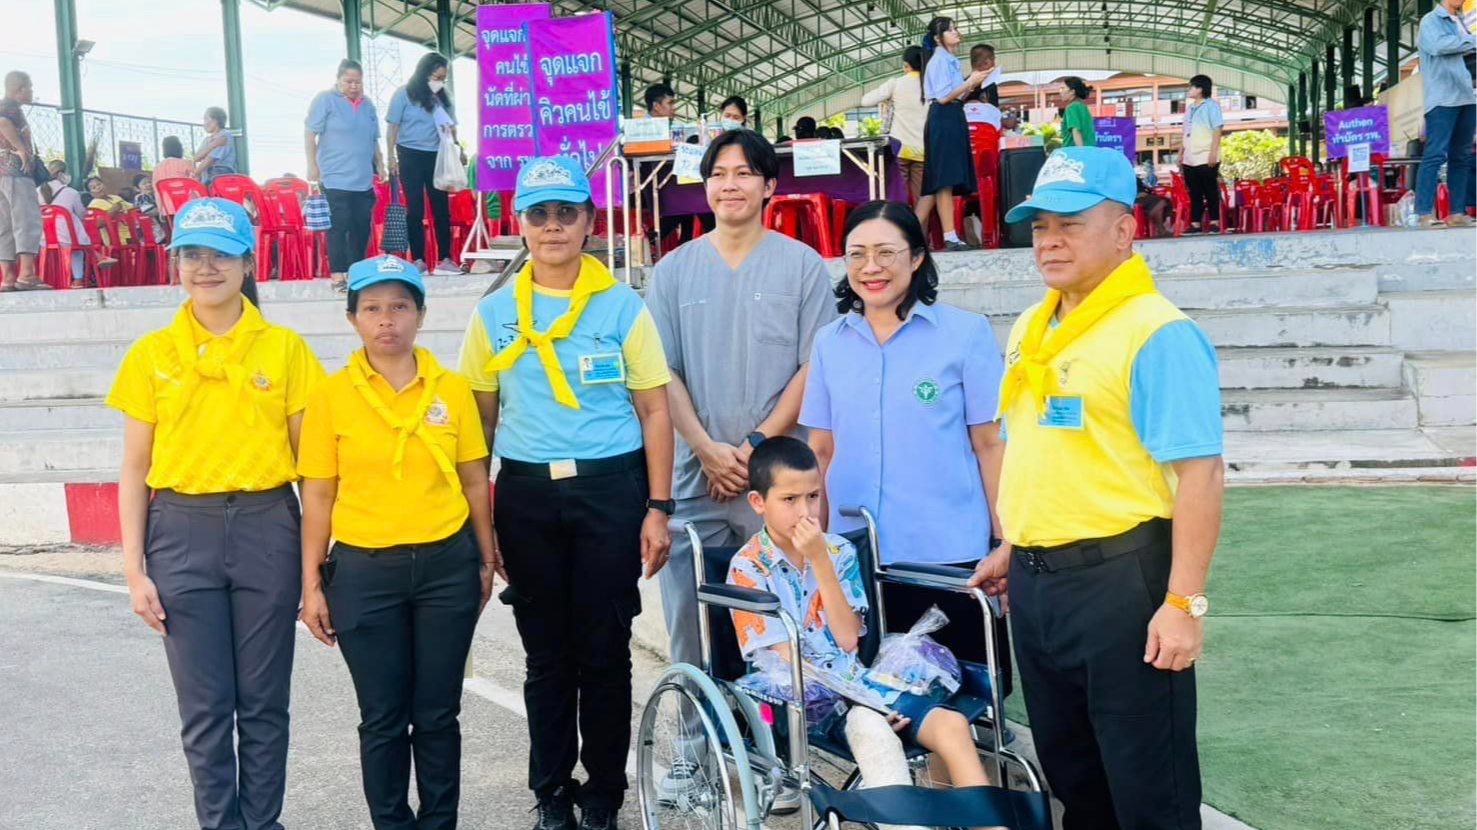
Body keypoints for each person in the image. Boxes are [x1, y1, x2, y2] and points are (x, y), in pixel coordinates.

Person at [970, 146, 1224, 830]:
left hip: (1121, 585)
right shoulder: (1033, 325)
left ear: (1122, 230)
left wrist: (1183, 604)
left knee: (1149, 795)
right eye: (1038, 227)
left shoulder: (1157, 334)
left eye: (1069, 224)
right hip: (1035, 584)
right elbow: (1035, 445)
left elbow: (1199, 474)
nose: (1048, 241)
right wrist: (1013, 540)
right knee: (1074, 783)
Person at [458, 155, 674, 830]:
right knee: (546, 655)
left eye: (566, 213)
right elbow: (479, 425)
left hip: (610, 491)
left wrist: (658, 507)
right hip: (525, 496)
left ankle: (603, 791)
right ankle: (550, 791)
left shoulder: (620, 307)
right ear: (518, 223)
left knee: (604, 649)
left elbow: (654, 410)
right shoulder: (492, 314)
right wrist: (483, 525)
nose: (552, 227)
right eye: (538, 214)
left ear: (588, 221)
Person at [109, 197, 325, 830]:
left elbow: (311, 467)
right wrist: (133, 571)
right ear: (177, 263)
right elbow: (132, 468)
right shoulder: (152, 355)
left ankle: (264, 822)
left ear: (247, 262)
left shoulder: (284, 348)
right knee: (204, 707)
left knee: (263, 702)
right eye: (192, 255)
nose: (206, 268)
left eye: (221, 254)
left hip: (266, 526)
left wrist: (313, 568)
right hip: (178, 532)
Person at [643, 129, 834, 812]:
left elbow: (812, 367)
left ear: (767, 186)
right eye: (718, 173)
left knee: (780, 626)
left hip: (773, 486)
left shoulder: (803, 267)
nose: (730, 185)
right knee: (691, 626)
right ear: (705, 185)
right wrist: (702, 445)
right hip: (697, 482)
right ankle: (694, 757)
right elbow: (658, 371)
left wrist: (754, 445)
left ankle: (779, 762)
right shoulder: (671, 272)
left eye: (743, 173)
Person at [297, 255, 495, 830]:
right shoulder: (330, 396)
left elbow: (475, 479)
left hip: (445, 565)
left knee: (437, 713)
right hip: (363, 571)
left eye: (401, 307)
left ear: (421, 314)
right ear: (354, 318)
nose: (388, 320)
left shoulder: (451, 389)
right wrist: (312, 583)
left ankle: (439, 822)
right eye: (373, 308)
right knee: (382, 716)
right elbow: (319, 497)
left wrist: (485, 557)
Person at [727, 437, 1000, 830]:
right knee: (873, 729)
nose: (805, 512)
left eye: (813, 496)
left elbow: (848, 640)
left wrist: (820, 560)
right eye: (790, 500)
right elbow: (788, 660)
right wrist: (867, 703)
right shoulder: (747, 568)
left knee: (952, 723)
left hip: (860, 681)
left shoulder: (837, 551)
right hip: (801, 697)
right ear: (758, 503)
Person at [801, 199, 1009, 670]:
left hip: (946, 551)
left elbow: (990, 444)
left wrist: (1004, 539)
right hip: (852, 554)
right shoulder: (829, 343)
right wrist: (815, 545)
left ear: (916, 258)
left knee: (960, 693)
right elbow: (821, 451)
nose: (870, 268)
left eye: (885, 253)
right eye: (856, 254)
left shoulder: (965, 334)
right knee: (873, 699)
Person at [307, 59, 383, 293]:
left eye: (357, 82)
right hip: (334, 176)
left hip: (362, 177)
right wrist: (312, 165)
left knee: (361, 226)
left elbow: (373, 138)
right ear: (338, 79)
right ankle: (338, 275)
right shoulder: (325, 100)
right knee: (339, 225)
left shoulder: (368, 105)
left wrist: (380, 162)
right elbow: (310, 133)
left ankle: (356, 271)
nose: (353, 86)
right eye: (348, 81)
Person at [388, 53, 462, 275]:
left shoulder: (443, 97)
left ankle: (445, 258)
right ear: (423, 74)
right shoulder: (404, 94)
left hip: (436, 155)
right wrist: (390, 155)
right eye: (436, 77)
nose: (439, 82)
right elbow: (392, 126)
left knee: (441, 208)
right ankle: (418, 259)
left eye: (443, 78)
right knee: (415, 208)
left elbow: (452, 126)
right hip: (409, 153)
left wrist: (456, 142)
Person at [921, 17, 990, 251]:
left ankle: (951, 235)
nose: (956, 32)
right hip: (943, 116)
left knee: (947, 180)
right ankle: (949, 236)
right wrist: (970, 81)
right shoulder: (938, 60)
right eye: (950, 30)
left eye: (955, 28)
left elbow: (955, 95)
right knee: (943, 181)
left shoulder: (950, 60)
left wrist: (971, 83)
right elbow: (942, 96)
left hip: (953, 115)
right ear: (938, 38)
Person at [1414, 0, 1477, 227]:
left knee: (1461, 156)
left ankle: (1457, 212)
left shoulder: (1461, 22)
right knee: (1435, 154)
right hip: (1442, 97)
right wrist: (1472, 41)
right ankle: (1424, 212)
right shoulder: (1430, 21)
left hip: (1467, 96)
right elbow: (1439, 46)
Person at [860, 46, 928, 204]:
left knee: (898, 198)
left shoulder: (896, 84)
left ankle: (899, 228)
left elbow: (865, 101)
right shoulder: (930, 85)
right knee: (921, 200)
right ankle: (920, 228)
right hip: (923, 151)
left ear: (906, 65)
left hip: (899, 150)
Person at [0, 70, 44, 291]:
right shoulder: (11, 107)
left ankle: (7, 278)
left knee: (5, 225)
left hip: (1, 173)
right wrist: (20, 149)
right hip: (16, 171)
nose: (32, 91)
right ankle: (27, 274)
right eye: (30, 87)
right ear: (21, 89)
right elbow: (3, 123)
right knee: (26, 220)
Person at [38, 159, 113, 287]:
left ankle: (97, 256)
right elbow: (81, 214)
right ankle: (79, 278)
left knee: (71, 228)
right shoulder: (71, 192)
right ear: (62, 174)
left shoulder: (37, 191)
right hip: (68, 239)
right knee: (76, 245)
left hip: (43, 239)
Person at [1180, 74, 1225, 234]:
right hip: (1189, 157)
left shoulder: (1211, 106)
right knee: (1194, 192)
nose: (1189, 89)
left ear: (1200, 89)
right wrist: (1180, 153)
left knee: (1210, 190)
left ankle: (1214, 222)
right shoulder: (1189, 108)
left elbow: (1217, 129)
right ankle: (1195, 224)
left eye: (1191, 86)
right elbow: (1185, 131)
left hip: (1206, 154)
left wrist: (1213, 153)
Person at [194, 107, 237, 186]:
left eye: (206, 119)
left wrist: (194, 174)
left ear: (215, 121)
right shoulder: (207, 140)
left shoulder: (224, 135)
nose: (204, 123)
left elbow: (210, 159)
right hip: (207, 176)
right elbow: (196, 158)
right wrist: (213, 145)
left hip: (219, 173)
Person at [86, 176, 135, 245]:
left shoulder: (115, 197)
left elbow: (133, 208)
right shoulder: (93, 205)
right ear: (90, 193)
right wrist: (113, 210)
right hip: (116, 240)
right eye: (93, 187)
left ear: (104, 184)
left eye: (99, 184)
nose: (98, 188)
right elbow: (96, 224)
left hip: (132, 233)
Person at [1059, 76, 1097, 148]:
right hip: (1089, 149)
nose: (1060, 91)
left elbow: (1076, 130)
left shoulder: (1071, 107)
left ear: (1072, 92)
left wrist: (1080, 152)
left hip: (1073, 152)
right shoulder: (1082, 106)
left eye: (1063, 88)